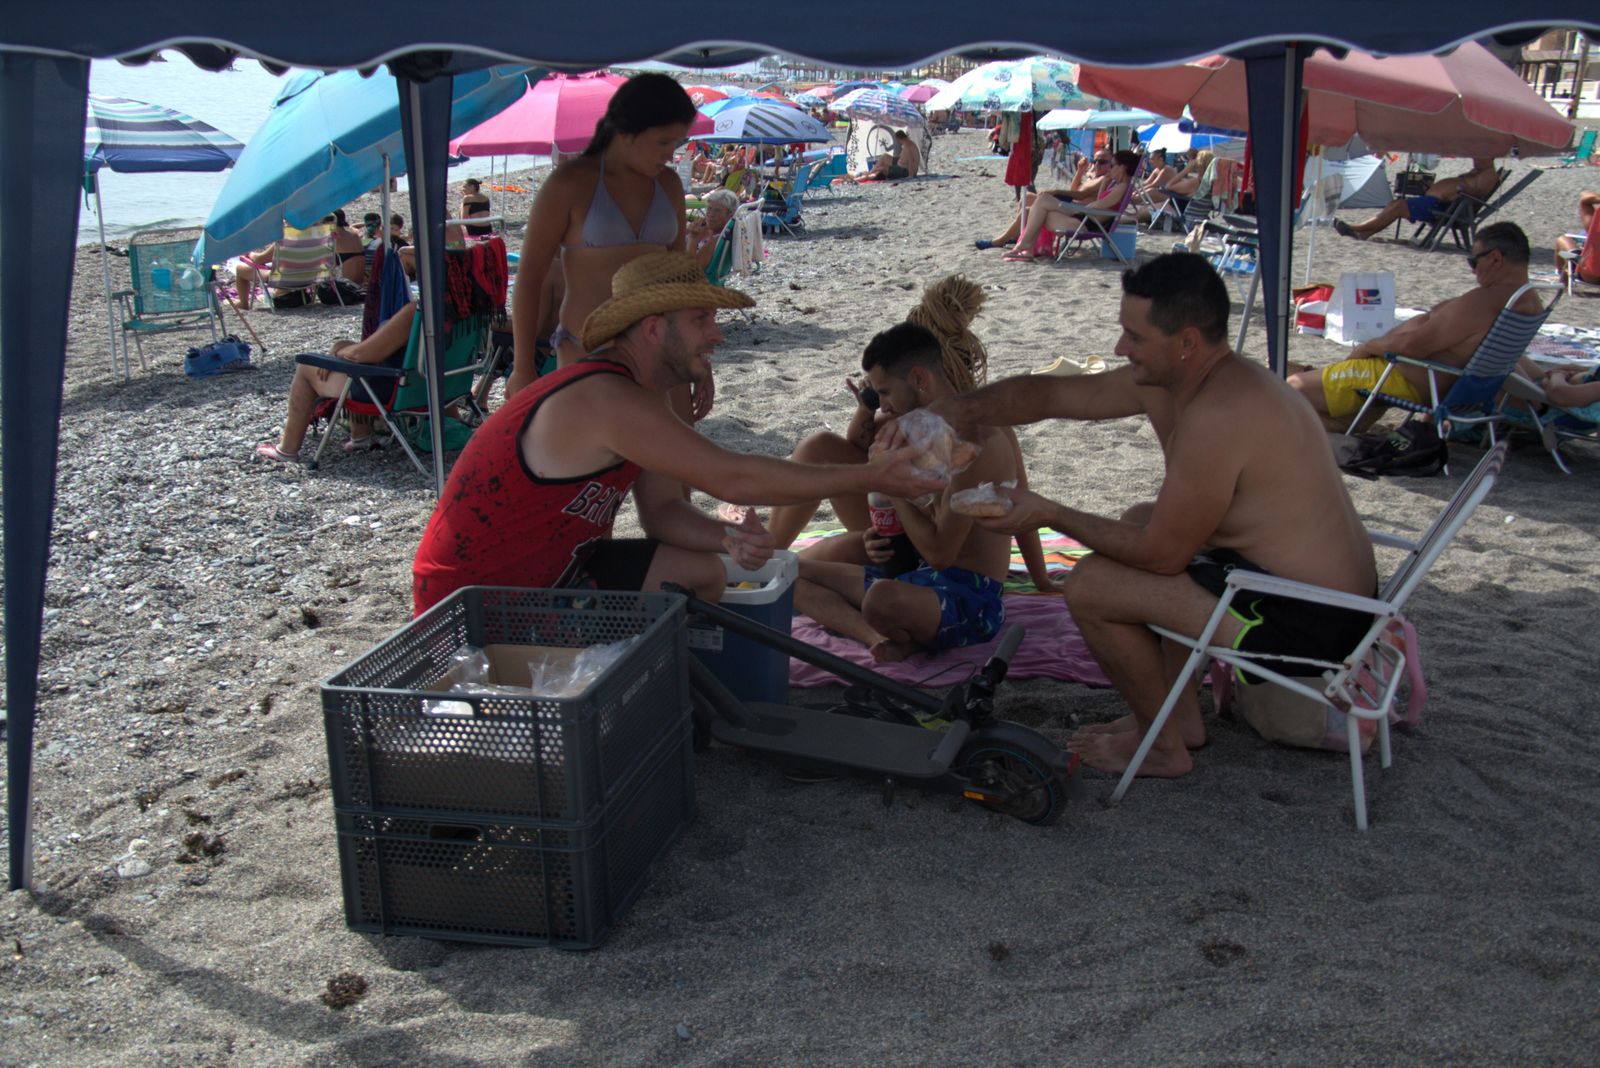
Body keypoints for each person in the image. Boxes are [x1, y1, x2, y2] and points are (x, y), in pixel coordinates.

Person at [915, 252, 1377, 777]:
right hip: (1289, 584)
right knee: (1138, 514)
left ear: (1186, 343)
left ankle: (1164, 748)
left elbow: (1163, 557)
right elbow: (1051, 394)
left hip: (1314, 623)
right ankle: (1177, 721)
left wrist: (1046, 513)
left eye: (1135, 337)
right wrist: (953, 411)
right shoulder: (1188, 380)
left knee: (1091, 585)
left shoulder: (1221, 414)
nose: (1119, 348)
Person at [411, 251, 948, 615]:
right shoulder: (606, 397)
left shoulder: (640, 396)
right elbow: (731, 477)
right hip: (473, 598)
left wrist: (725, 539)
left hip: (558, 570)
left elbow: (662, 511)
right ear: (652, 328)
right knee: (697, 581)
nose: (716, 335)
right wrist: (872, 475)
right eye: (700, 320)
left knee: (703, 572)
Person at [766, 275, 1057, 598]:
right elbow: (856, 447)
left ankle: (768, 565)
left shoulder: (983, 431)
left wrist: (1041, 580)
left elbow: (1020, 499)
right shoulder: (906, 411)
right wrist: (867, 406)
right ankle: (765, 555)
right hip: (901, 533)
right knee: (817, 448)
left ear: (921, 374)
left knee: (813, 566)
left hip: (933, 551)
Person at [790, 322, 1033, 662]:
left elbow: (941, 554)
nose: (883, 404)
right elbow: (857, 444)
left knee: (880, 599)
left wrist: (895, 489)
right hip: (916, 577)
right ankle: (876, 637)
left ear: (919, 379)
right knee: (788, 572)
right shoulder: (918, 427)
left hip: (970, 596)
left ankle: (886, 629)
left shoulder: (979, 442)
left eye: (885, 392)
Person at [508, 72, 696, 399]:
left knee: (667, 448)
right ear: (627, 131)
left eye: (677, 143)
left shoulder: (668, 184)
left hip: (661, 354)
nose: (671, 154)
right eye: (663, 142)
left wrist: (694, 356)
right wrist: (522, 365)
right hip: (587, 351)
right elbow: (529, 278)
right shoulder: (569, 183)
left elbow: (681, 279)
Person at [1286, 223, 1547, 431]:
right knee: (1285, 372)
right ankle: (1337, 416)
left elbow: (1413, 346)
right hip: (1442, 384)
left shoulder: (1485, 301)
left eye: (1473, 261)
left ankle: (1325, 423)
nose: (1472, 271)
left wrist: (1369, 346)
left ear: (1495, 258)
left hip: (1403, 376)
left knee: (1289, 389)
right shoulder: (1529, 301)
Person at [253, 301, 418, 463]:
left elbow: (364, 354)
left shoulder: (416, 311)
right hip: (424, 389)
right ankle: (361, 437)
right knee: (353, 363)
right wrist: (343, 346)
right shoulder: (441, 313)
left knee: (307, 367)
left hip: (394, 390)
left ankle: (287, 449)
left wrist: (338, 351)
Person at [1002, 149, 1138, 262]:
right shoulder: (1118, 185)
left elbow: (1098, 206)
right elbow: (1100, 202)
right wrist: (1105, 182)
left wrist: (1075, 207)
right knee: (1041, 207)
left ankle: (1025, 246)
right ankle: (1027, 249)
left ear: (1123, 167)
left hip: (1085, 223)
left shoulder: (1123, 187)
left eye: (1112, 165)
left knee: (1042, 200)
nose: (1110, 169)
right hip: (1085, 218)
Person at [975, 148, 1123, 250]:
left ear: (1112, 165)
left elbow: (1080, 195)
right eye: (1095, 160)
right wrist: (1080, 171)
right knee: (1027, 198)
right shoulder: (1096, 177)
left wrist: (1054, 191)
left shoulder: (1104, 179)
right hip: (1072, 207)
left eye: (1102, 162)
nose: (1097, 164)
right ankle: (1020, 234)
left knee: (1031, 208)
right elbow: (1074, 189)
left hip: (1075, 210)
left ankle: (1002, 240)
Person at [1333, 158, 1499, 241]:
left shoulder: (1488, 174)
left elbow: (1476, 196)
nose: (1475, 157)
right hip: (1437, 202)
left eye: (1479, 155)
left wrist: (1458, 188)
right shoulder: (1478, 171)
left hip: (1442, 207)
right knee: (1394, 204)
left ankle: (1358, 227)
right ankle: (1363, 233)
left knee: (1398, 206)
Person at [1554, 189, 1600, 286]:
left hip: (1591, 275)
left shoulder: (1593, 226)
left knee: (1562, 240)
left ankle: (1562, 274)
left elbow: (1584, 198)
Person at [686, 188, 738, 270]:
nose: (710, 214)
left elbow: (691, 270)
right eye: (709, 209)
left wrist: (693, 238)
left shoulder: (718, 239)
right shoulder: (707, 228)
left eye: (717, 211)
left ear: (730, 215)